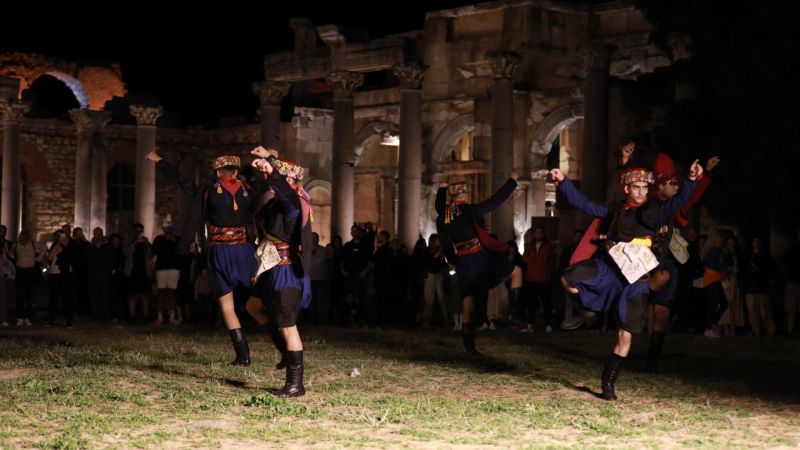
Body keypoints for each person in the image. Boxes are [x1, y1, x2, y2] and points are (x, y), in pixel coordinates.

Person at [551, 157, 702, 400]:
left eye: (645, 188)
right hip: (609, 268)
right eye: (636, 187)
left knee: (625, 334)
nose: (641, 192)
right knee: (568, 279)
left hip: (636, 277)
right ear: (626, 188)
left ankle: (608, 385)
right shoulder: (615, 209)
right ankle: (589, 309)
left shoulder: (655, 209)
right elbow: (584, 204)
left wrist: (693, 180)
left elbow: (679, 200)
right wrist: (563, 183)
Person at [148, 150, 268, 365]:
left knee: (227, 306)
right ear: (236, 170)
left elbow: (181, 182)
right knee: (261, 296)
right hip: (244, 250)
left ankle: (243, 356)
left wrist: (160, 161)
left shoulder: (207, 191)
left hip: (220, 251)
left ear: (217, 171)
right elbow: (269, 182)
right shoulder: (250, 189)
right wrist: (269, 160)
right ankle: (284, 337)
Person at [245, 146, 312, 397]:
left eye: (279, 178)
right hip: (271, 266)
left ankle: (295, 384)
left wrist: (271, 166)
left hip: (286, 270)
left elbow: (283, 190)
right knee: (253, 306)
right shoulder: (277, 201)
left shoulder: (295, 201)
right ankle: (285, 351)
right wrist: (267, 163)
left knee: (288, 326)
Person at [435, 176, 518, 354]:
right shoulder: (468, 210)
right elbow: (494, 201)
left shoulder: (448, 215)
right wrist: (512, 182)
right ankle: (515, 313)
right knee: (515, 270)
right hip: (480, 258)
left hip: (464, 261)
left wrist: (453, 260)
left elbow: (441, 218)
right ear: (464, 195)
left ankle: (469, 346)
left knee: (468, 303)